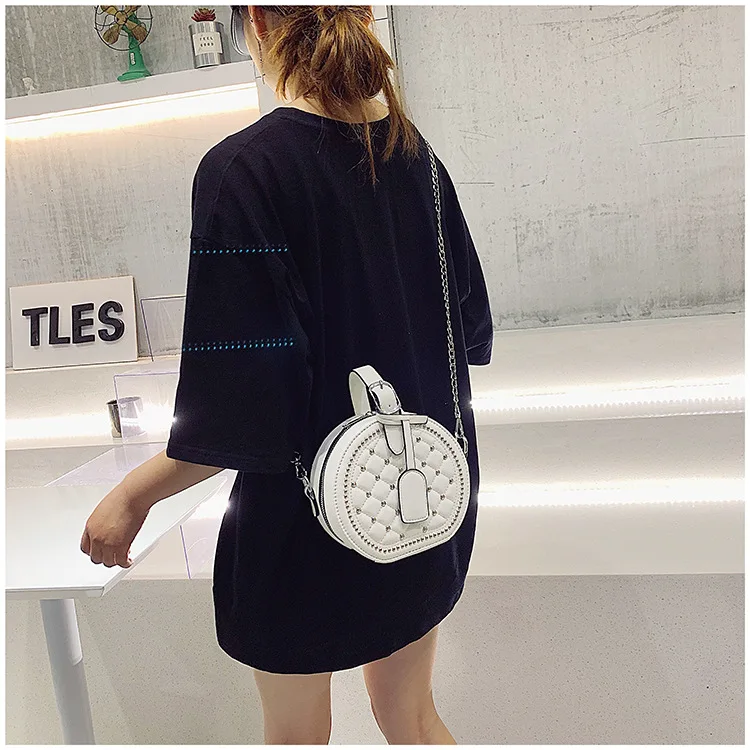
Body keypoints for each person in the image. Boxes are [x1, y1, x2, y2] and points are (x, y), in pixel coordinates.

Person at [80, 4, 493, 744]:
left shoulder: (245, 170)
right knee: (412, 718)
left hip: (303, 519)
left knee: (297, 734)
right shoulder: (418, 160)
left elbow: (241, 407)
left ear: (257, 24)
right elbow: (464, 332)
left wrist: (131, 496)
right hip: (419, 495)